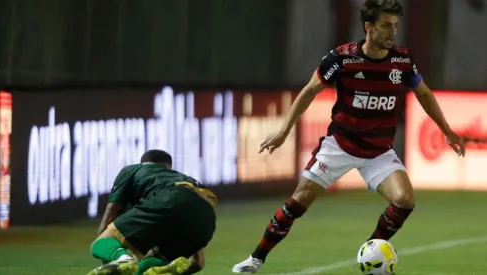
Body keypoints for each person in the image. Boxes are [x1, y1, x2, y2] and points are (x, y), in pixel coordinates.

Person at [232, 0, 465, 273]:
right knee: (297, 202)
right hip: (339, 146)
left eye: (396, 26)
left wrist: (447, 131)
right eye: (386, 26)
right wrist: (284, 130)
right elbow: (309, 91)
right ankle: (256, 258)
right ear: (368, 27)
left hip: (378, 152)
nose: (393, 32)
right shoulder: (342, 59)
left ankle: (371, 249)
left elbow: (423, 93)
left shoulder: (402, 61)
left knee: (405, 200)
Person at [86, 149, 217, 275]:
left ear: (144, 163)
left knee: (99, 243)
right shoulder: (184, 179)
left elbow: (111, 212)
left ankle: (123, 260)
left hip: (168, 199)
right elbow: (197, 263)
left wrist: (105, 249)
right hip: (207, 217)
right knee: (149, 261)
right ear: (168, 167)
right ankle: (161, 272)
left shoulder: (133, 170)